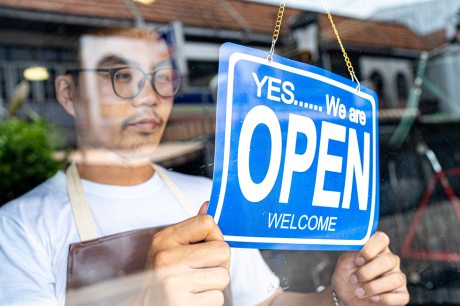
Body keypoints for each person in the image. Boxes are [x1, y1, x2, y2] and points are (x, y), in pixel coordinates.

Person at [0, 27, 409, 306]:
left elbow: (264, 300)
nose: (150, 97)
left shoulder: (209, 196)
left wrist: (337, 297)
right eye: (122, 75)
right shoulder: (18, 228)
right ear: (69, 94)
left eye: (163, 77)